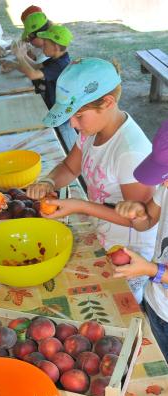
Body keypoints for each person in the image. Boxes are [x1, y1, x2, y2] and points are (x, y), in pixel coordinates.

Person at [26, 57, 157, 303]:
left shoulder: (130, 152)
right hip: (106, 237)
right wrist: (49, 182)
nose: (73, 124)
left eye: (78, 116)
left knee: (122, 305)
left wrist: (80, 206)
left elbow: (142, 220)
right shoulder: (91, 132)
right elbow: (69, 166)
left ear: (107, 103)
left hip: (129, 254)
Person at [113, 120, 168, 360]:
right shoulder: (166, 188)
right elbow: (148, 221)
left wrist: (148, 270)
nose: (163, 183)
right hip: (157, 303)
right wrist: (138, 214)